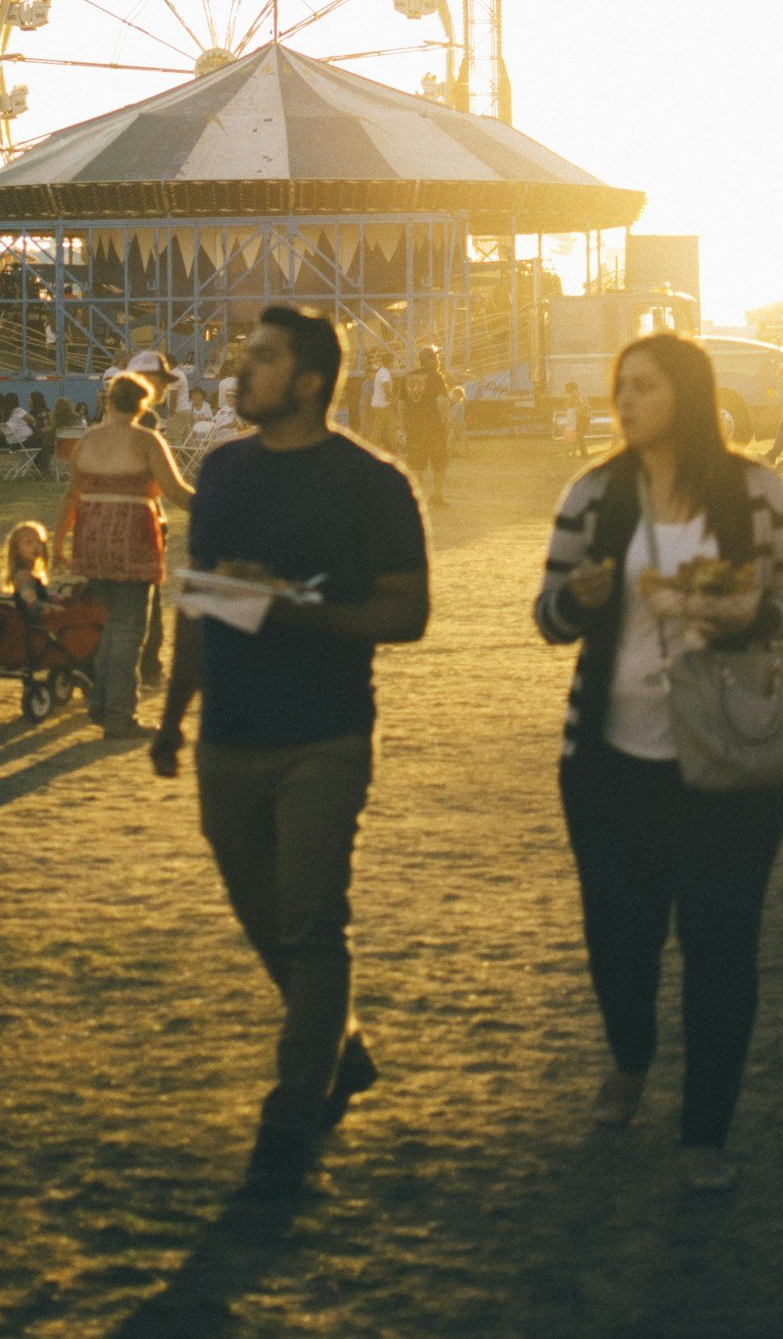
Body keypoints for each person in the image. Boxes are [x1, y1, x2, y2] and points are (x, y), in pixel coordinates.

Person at [151, 307, 432, 1196]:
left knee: (311, 919)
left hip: (324, 732)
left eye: (263, 358)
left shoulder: (371, 484)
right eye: (246, 355)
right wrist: (172, 716)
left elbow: (408, 612)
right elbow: (201, 599)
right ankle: (336, 1047)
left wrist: (300, 612)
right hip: (228, 735)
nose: (242, 369)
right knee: (264, 918)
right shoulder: (224, 471)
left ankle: (290, 1107)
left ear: (309, 380)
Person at [534, 332, 783, 1191]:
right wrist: (574, 600)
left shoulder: (757, 492)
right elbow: (545, 618)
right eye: (619, 385)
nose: (623, 401)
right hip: (609, 759)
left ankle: (704, 1134)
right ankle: (629, 1054)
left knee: (720, 946)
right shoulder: (594, 493)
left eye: (643, 387)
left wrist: (748, 613)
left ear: (685, 395)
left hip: (726, 759)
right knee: (618, 937)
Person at [55, 374, 193, 735]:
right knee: (129, 629)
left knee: (106, 627)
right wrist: (217, 507)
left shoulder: (87, 441)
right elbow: (175, 491)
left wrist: (58, 542)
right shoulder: (146, 440)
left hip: (91, 538)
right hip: (132, 538)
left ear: (109, 402)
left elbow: (72, 494)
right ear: (143, 405)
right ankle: (119, 714)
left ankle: (101, 704)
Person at [398, 344, 452, 506]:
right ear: (425, 360)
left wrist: (402, 425)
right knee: (439, 462)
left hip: (414, 428)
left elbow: (401, 403)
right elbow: (441, 401)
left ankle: (416, 498)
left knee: (416, 464)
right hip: (434, 427)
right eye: (434, 357)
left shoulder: (408, 377)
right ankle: (436, 496)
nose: (437, 360)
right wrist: (447, 422)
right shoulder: (436, 376)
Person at [4, 520, 52, 608]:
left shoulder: (32, 572)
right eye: (29, 543)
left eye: (39, 542)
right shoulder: (23, 576)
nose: (35, 546)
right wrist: (52, 608)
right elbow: (31, 603)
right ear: (17, 549)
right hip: (33, 620)